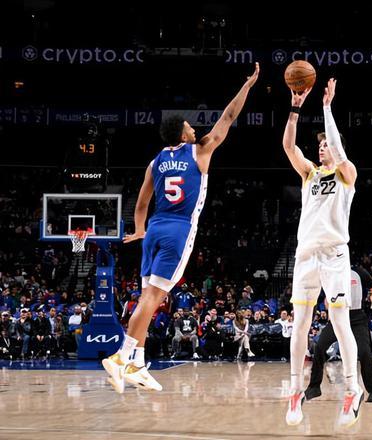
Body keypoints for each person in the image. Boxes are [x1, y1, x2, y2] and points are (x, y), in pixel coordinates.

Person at [102, 63, 259, 393]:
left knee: (147, 299)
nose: (194, 128)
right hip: (178, 229)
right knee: (153, 298)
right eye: (189, 126)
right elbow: (229, 116)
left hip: (154, 229)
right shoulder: (200, 151)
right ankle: (121, 356)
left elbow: (141, 203)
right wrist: (247, 86)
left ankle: (137, 364)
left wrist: (140, 230)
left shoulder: (156, 161)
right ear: (183, 135)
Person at [282, 78, 362, 427]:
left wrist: (327, 107)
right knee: (299, 324)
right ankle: (295, 391)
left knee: (340, 322)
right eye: (319, 146)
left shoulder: (347, 174)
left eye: (326, 145)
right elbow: (288, 146)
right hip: (306, 255)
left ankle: (352, 390)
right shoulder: (309, 174)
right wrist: (295, 108)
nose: (321, 149)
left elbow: (339, 153)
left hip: (334, 255)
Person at [305, 265, 372, 403]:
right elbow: (327, 296)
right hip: (338, 316)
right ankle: (314, 387)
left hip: (357, 318)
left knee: (364, 352)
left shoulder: (359, 271)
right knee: (319, 346)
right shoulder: (332, 272)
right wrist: (329, 311)